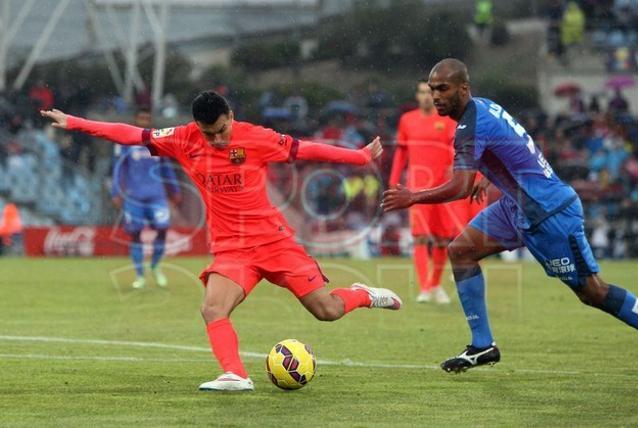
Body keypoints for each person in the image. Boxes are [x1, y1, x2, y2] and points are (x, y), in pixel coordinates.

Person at [41, 91, 402, 391]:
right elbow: (131, 133)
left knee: (328, 311)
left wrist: (358, 156)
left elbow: (305, 150)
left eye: (220, 130)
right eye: (208, 133)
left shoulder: (256, 137)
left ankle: (365, 295)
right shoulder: (183, 138)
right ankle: (236, 374)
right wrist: (75, 123)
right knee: (213, 309)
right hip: (233, 249)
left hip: (275, 242)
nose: (215, 139)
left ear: (231, 116)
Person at [383, 58, 638, 373]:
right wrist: (489, 176)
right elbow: (516, 144)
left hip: (548, 211)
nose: (436, 97)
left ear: (463, 88)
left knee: (593, 292)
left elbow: (460, 187)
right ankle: (482, 345)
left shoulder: (470, 125)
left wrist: (412, 197)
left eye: (443, 89)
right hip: (515, 206)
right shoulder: (485, 108)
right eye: (432, 90)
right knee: (461, 250)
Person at [390, 80, 471, 304]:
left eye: (430, 92)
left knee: (442, 240)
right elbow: (401, 153)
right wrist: (393, 181)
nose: (426, 97)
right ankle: (425, 288)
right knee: (420, 237)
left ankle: (435, 284)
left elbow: (456, 150)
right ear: (417, 96)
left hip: (442, 189)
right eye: (422, 92)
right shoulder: (407, 120)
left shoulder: (446, 120)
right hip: (416, 188)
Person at [111, 108, 181, 289]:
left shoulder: (157, 141)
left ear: (150, 120)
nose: (143, 121)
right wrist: (116, 192)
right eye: (141, 118)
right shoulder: (125, 141)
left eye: (146, 118)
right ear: (136, 119)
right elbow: (119, 168)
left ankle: (156, 266)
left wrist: (174, 189)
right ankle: (140, 276)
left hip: (157, 195)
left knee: (163, 228)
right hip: (134, 197)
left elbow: (166, 168)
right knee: (135, 235)